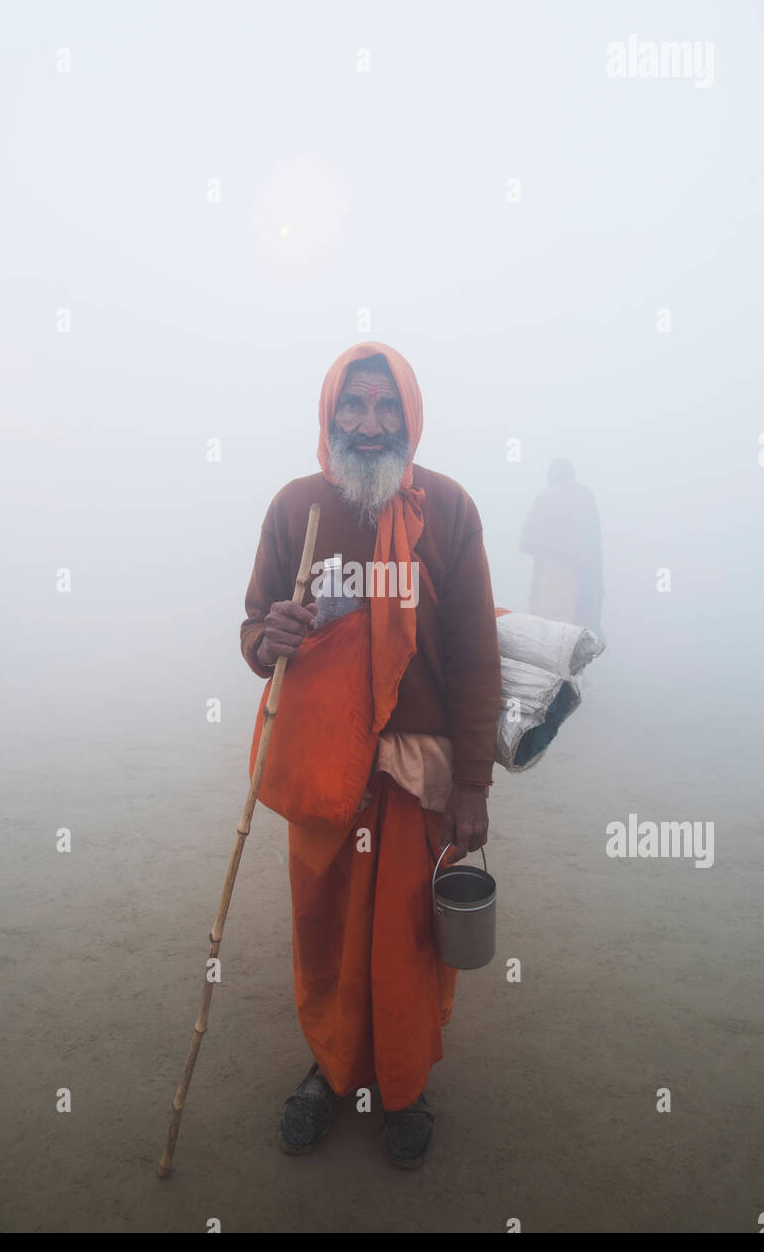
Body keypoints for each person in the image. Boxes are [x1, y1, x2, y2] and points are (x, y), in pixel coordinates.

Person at [240, 340, 502, 1168]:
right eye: (353, 404)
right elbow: (255, 630)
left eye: (387, 406)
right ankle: (330, 1067)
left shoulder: (449, 512)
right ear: (329, 415)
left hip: (416, 776)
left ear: (410, 418)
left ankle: (402, 1085)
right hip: (322, 769)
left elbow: (472, 658)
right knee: (327, 932)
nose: (370, 422)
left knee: (407, 940)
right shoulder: (296, 509)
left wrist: (472, 783)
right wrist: (269, 634)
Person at [519, 458, 604, 639]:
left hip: (549, 578)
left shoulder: (545, 498)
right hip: (582, 577)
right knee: (573, 635)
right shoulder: (584, 497)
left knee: (548, 637)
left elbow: (527, 542)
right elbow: (595, 547)